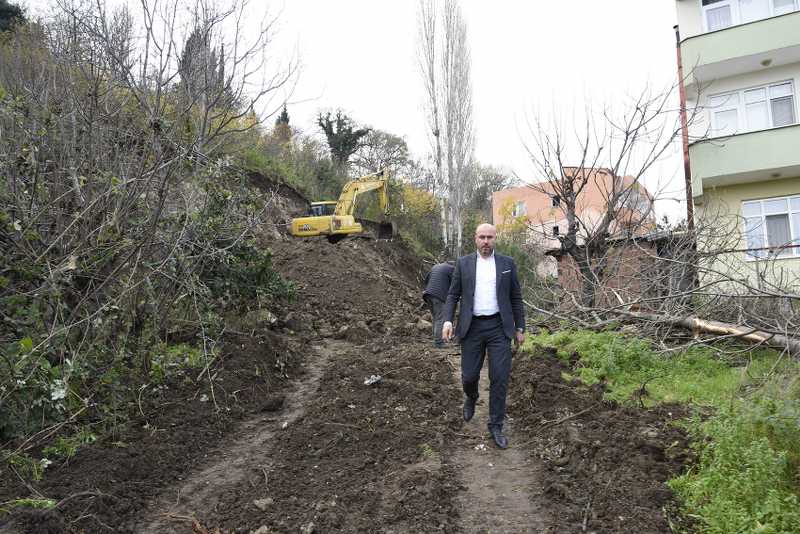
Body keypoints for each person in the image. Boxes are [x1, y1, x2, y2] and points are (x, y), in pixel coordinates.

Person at [442, 223, 525, 449]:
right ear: (475, 239)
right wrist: (448, 321)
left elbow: (516, 297)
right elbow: (453, 295)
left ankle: (496, 425)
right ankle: (471, 396)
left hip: (500, 327)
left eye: (490, 237)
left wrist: (520, 328)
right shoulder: (463, 263)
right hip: (472, 327)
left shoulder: (507, 264)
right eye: (482, 237)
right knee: (469, 376)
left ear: (495, 238)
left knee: (500, 377)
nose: (486, 241)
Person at [423, 260, 455, 348]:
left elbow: (426, 280)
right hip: (438, 296)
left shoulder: (435, 267)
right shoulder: (451, 269)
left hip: (427, 294)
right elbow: (455, 285)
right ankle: (438, 342)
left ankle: (435, 338)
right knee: (441, 318)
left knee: (436, 317)